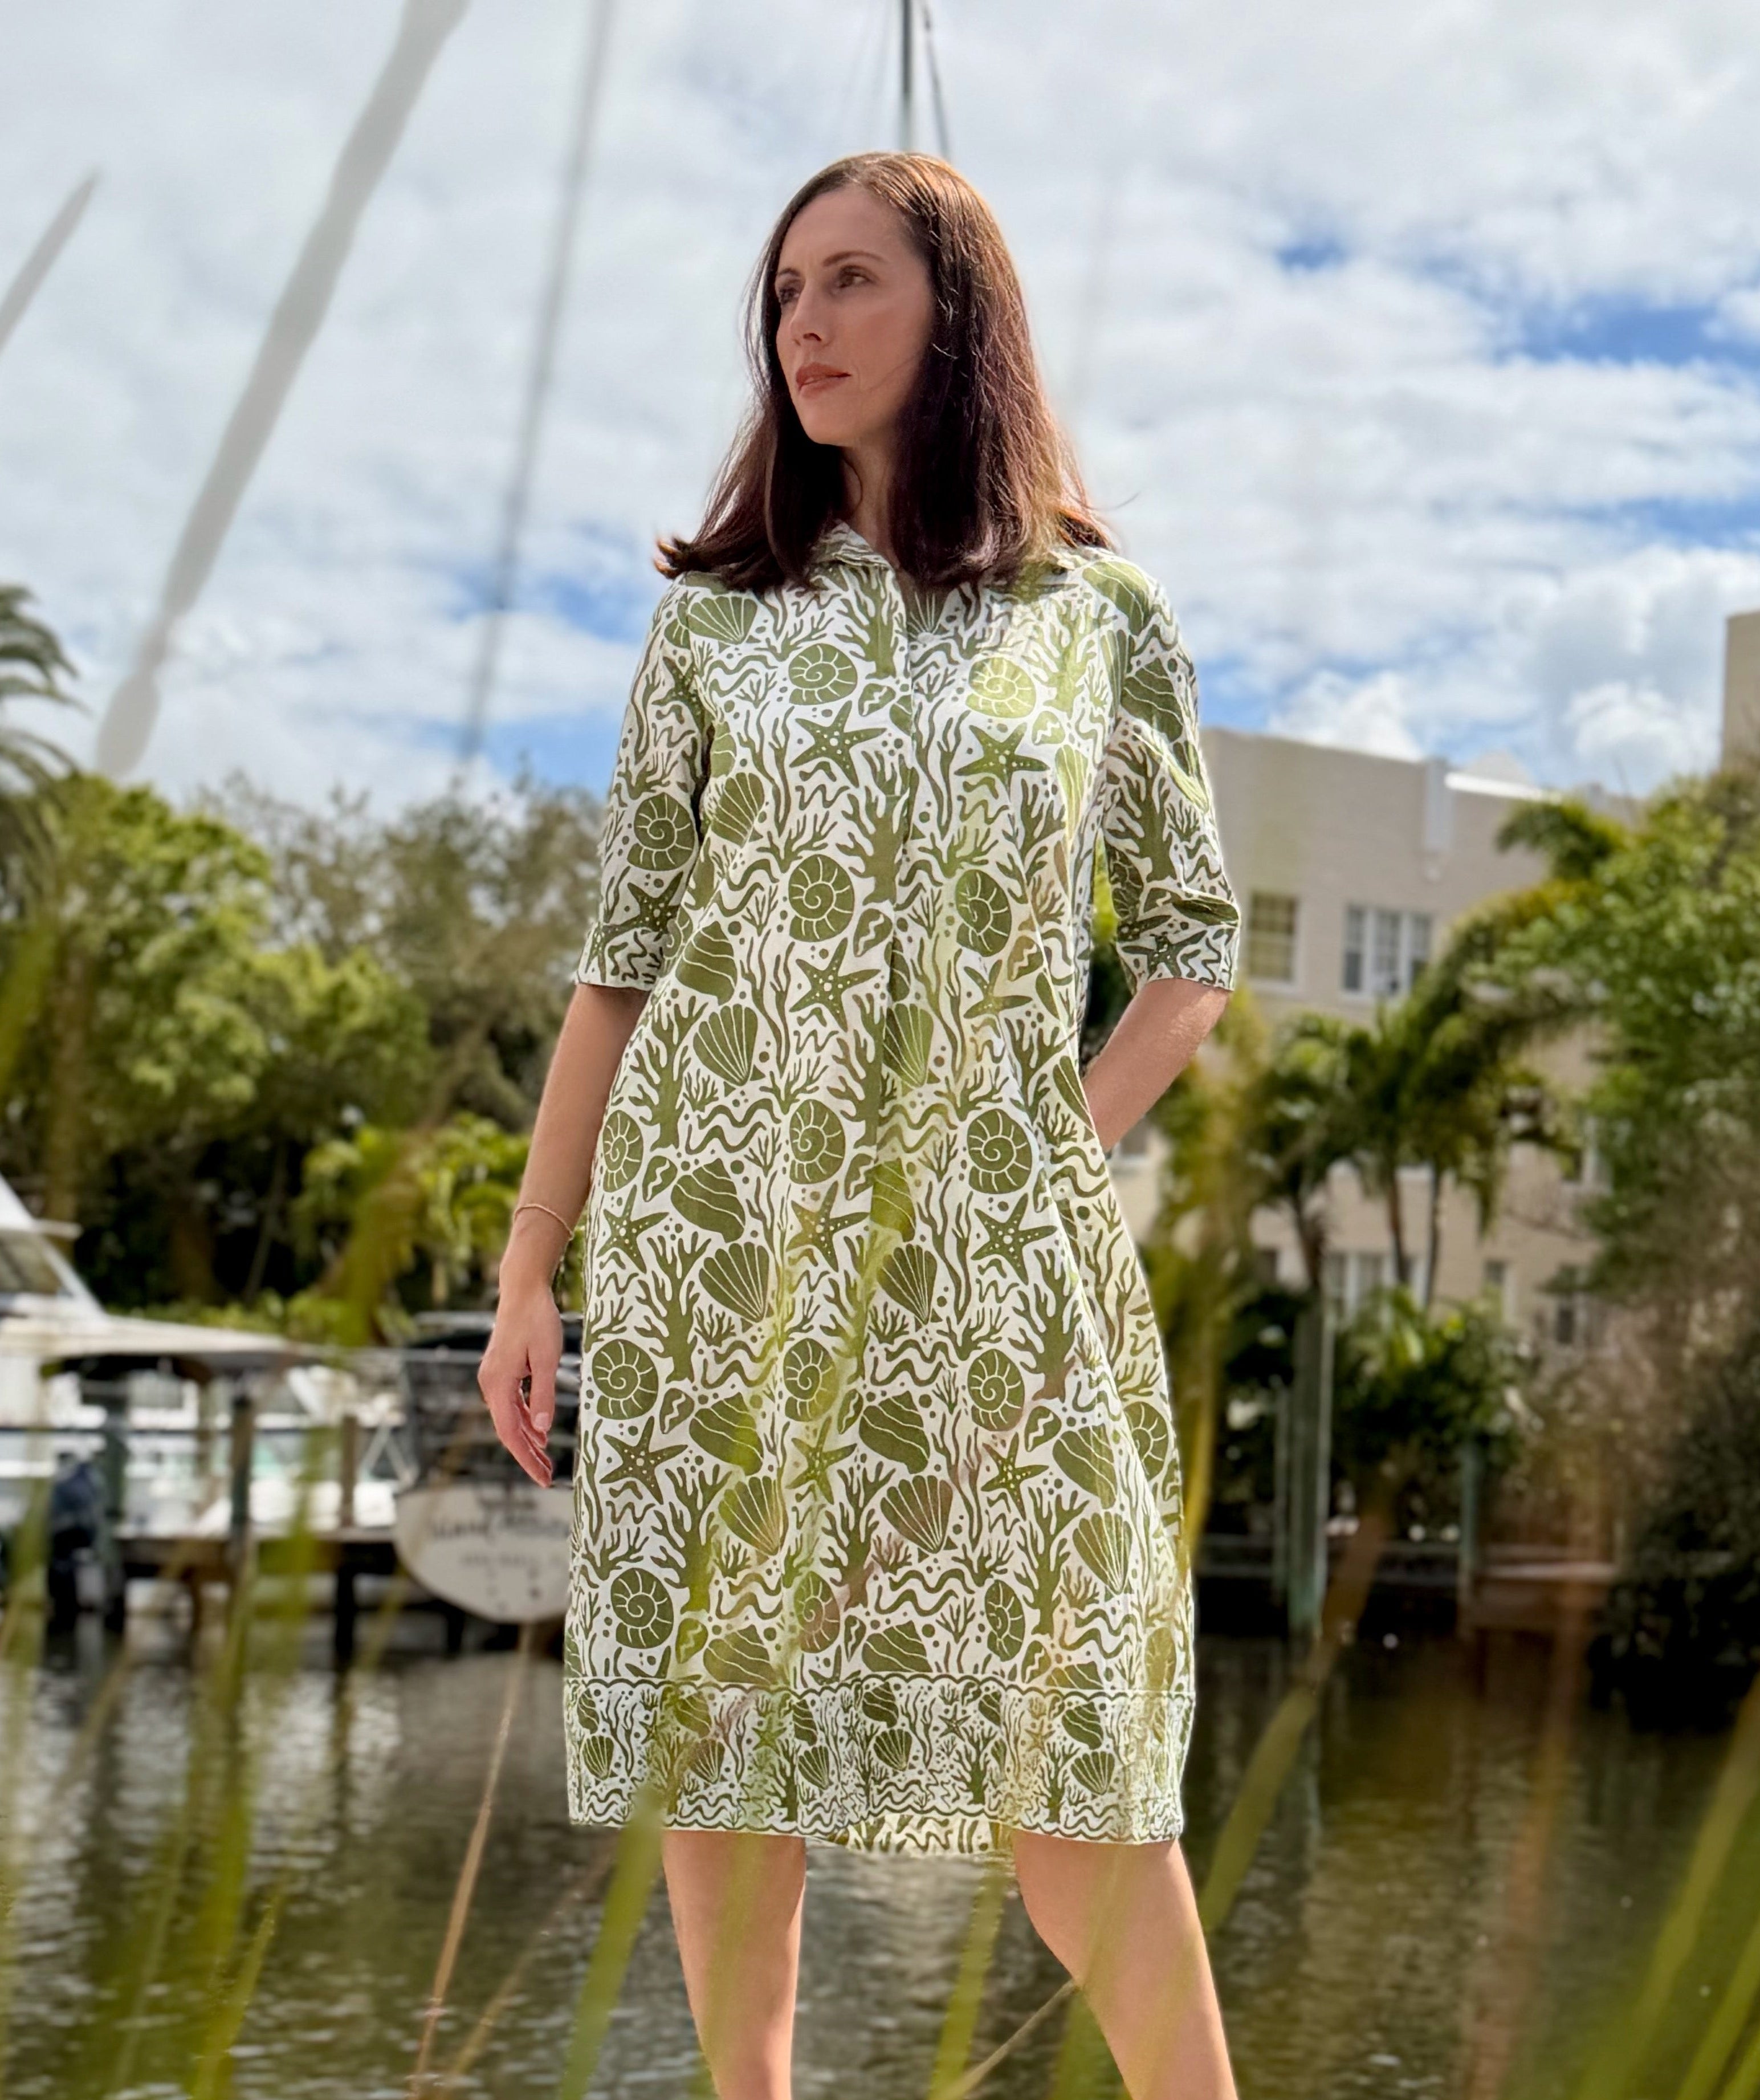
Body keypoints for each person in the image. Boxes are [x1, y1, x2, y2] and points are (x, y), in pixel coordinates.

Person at [478, 150, 1242, 2100]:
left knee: (1077, 1752)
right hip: (723, 1247)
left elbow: (1192, 947)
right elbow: (619, 965)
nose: (805, 323)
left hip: (995, 1275)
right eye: (785, 292)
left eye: (851, 282)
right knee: (731, 1748)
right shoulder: (719, 628)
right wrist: (529, 1269)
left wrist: (1046, 1140)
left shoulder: (1096, 619)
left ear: (956, 311)